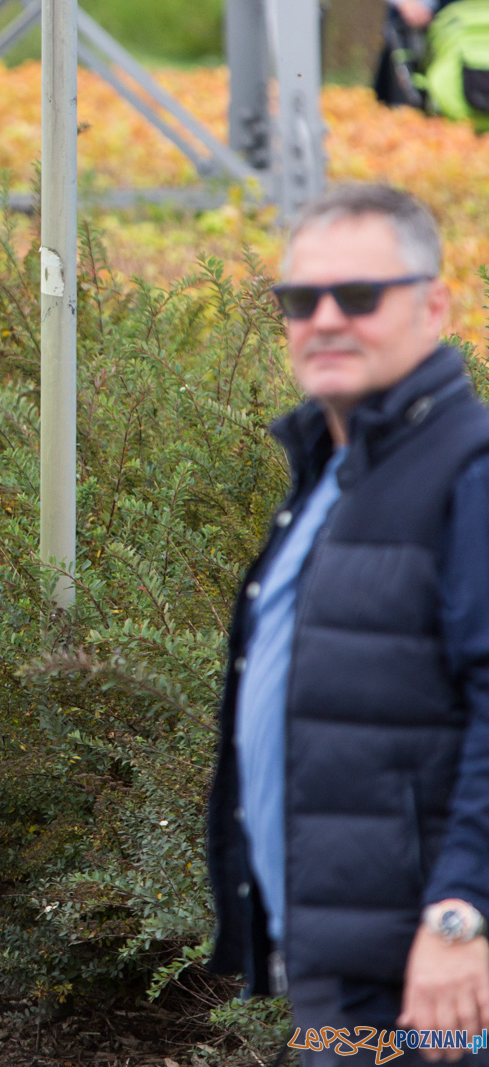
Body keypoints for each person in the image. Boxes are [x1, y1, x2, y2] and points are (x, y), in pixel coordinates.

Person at [207, 183, 489, 1065]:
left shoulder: (469, 471)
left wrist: (461, 910)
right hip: (340, 961)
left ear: (434, 305)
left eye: (360, 296)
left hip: (433, 971)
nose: (325, 318)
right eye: (301, 299)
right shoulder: (332, 473)